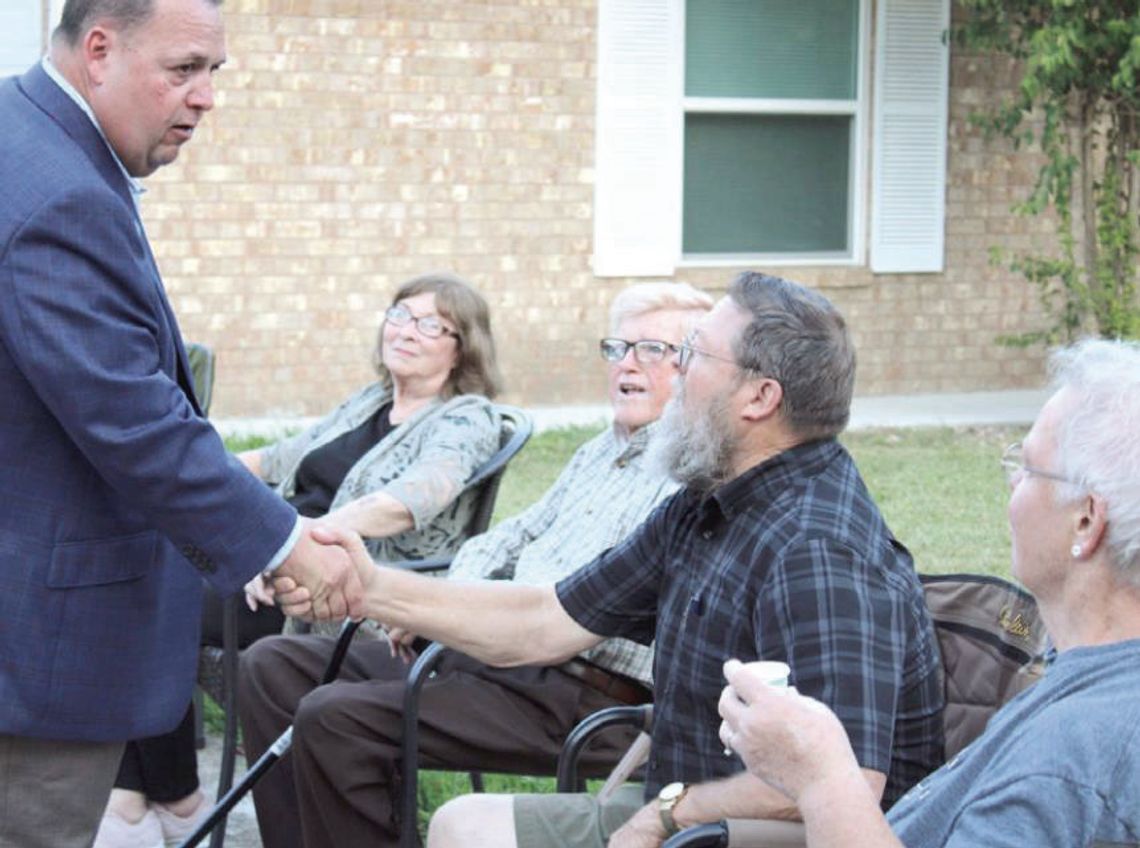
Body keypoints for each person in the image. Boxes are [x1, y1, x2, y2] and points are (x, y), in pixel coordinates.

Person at [283, 271, 946, 848]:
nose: (674, 371)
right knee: (463, 825)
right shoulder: (708, 503)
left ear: (759, 397)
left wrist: (668, 814)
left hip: (752, 832)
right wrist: (367, 585)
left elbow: (849, 782)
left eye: (691, 354)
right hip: (690, 805)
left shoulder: (818, 549)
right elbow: (543, 620)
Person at [0, 1, 361, 846]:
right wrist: (284, 543)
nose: (204, 99)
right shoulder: (58, 193)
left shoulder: (23, 134)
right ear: (99, 49)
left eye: (215, 73)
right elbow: (131, 418)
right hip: (35, 648)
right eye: (184, 68)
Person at [238, 282, 714, 848]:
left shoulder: (688, 468)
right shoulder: (600, 449)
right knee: (272, 665)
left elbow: (580, 601)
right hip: (496, 655)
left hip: (582, 688)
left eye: (652, 351)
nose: (626, 366)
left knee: (335, 717)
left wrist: (454, 609)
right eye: (617, 349)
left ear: (697, 368)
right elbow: (508, 536)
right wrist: (449, 604)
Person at [98, 271, 503, 847]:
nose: (407, 331)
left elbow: (413, 498)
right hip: (272, 558)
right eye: (400, 315)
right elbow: (280, 457)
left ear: (464, 347)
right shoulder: (369, 402)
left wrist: (288, 542)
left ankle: (162, 799)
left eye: (432, 324)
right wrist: (182, 474)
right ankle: (155, 797)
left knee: (156, 608)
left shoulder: (466, 417)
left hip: (331, 589)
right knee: (141, 579)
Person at [716, 338, 1140, 848]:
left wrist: (823, 778)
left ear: (1087, 520)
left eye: (1027, 468)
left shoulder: (1068, 757)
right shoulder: (1097, 677)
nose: (1011, 485)